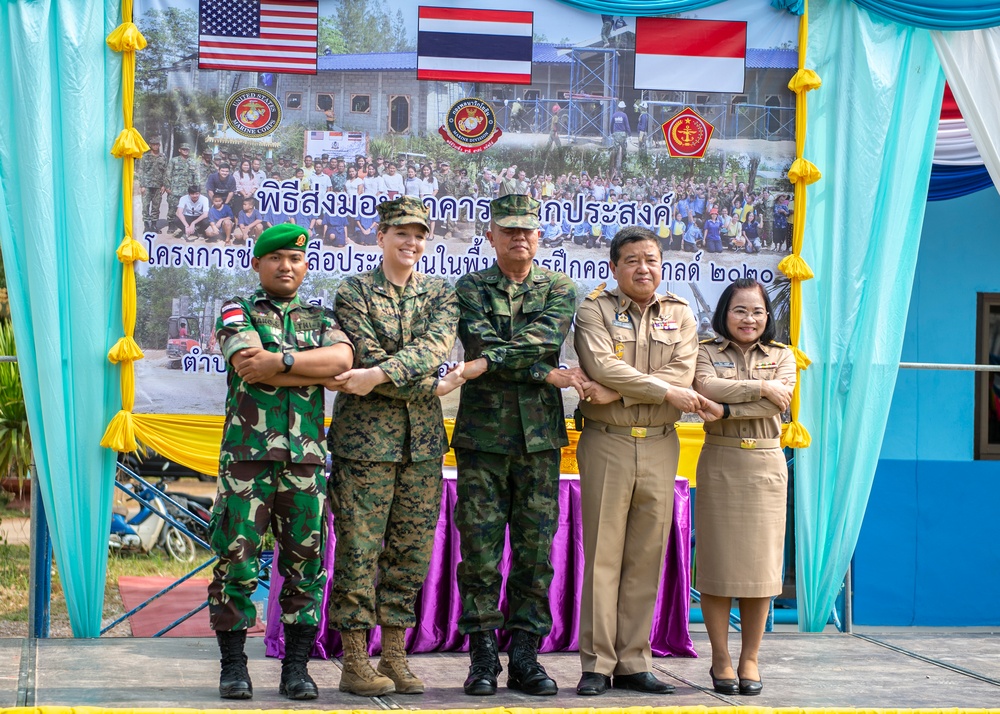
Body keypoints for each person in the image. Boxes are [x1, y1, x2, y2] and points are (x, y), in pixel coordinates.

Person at [325, 196, 464, 696]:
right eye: (401, 232)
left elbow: (435, 349)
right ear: (380, 236)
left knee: (410, 552)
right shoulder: (354, 291)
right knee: (360, 551)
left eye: (420, 234)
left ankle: (396, 655)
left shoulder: (440, 294)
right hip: (365, 445)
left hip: (422, 444)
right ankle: (356, 661)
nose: (411, 242)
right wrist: (427, 382)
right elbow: (364, 351)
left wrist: (378, 377)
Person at [209, 224, 354, 701]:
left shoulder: (321, 316)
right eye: (275, 258)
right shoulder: (237, 308)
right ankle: (234, 669)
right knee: (237, 564)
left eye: (294, 258)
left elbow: (341, 360)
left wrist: (282, 364)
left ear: (306, 265)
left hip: (306, 463)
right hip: (247, 460)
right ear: (258, 264)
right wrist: (306, 364)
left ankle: (297, 669)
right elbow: (248, 358)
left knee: (305, 568)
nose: (285, 266)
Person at [452, 194, 588, 698]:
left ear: (540, 237)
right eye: (509, 230)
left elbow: (536, 341)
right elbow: (482, 343)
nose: (519, 238)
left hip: (539, 440)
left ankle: (526, 657)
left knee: (535, 552)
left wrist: (524, 364)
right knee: (481, 552)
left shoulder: (559, 288)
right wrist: (542, 372)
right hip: (482, 439)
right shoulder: (469, 287)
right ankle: (483, 656)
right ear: (491, 237)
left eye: (528, 231)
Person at [572, 225, 702, 697]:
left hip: (662, 442)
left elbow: (684, 370)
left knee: (646, 556)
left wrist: (622, 393)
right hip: (607, 440)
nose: (643, 267)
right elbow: (602, 366)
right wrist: (663, 390)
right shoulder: (594, 309)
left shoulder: (680, 313)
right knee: (604, 556)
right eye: (632, 260)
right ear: (614, 267)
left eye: (651, 258)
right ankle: (596, 663)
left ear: (661, 263)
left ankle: (633, 661)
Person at [691, 278, 794, 697]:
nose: (749, 319)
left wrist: (730, 406)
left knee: (760, 571)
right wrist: (760, 388)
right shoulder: (704, 352)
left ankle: (750, 657)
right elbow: (705, 388)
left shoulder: (784, 355)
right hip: (720, 463)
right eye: (740, 310)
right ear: (724, 314)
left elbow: (779, 400)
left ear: (767, 317)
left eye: (757, 311)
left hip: (766, 465)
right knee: (717, 568)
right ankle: (720, 657)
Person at [137, 135, 167, 233]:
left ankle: (154, 226)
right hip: (147, 185)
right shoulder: (145, 157)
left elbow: (165, 172)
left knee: (156, 206)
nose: (155, 146)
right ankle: (146, 226)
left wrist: (164, 185)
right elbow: (141, 171)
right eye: (153, 144)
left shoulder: (163, 157)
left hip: (158, 186)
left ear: (159, 145)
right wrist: (142, 185)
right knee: (145, 206)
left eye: (157, 144)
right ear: (150, 145)